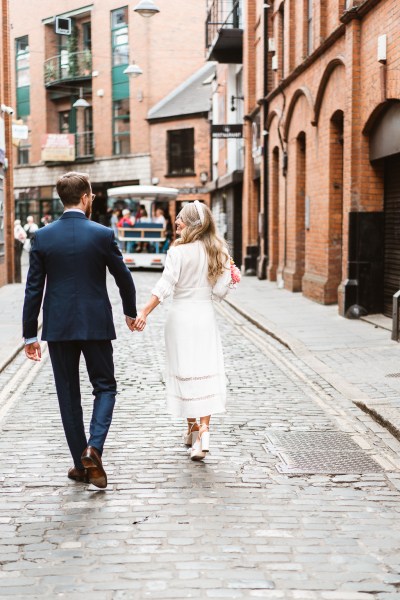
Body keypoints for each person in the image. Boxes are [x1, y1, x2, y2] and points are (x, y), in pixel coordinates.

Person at [22, 172, 137, 489]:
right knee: (105, 387)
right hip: (95, 323)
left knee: (68, 395)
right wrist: (130, 311)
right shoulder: (102, 234)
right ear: (86, 197)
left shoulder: (43, 237)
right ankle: (93, 449)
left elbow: (33, 290)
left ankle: (81, 464)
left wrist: (30, 335)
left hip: (58, 327)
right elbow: (123, 276)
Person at [134, 201, 231, 461]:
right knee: (205, 371)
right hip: (204, 318)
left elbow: (165, 286)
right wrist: (231, 275)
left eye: (180, 220)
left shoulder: (177, 252)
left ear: (191, 224)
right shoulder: (218, 251)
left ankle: (192, 430)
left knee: (186, 372)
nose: (176, 223)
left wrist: (144, 311)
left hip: (180, 319)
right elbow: (221, 292)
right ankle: (201, 431)